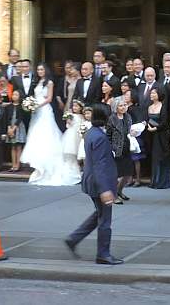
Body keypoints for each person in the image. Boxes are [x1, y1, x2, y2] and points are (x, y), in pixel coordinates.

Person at [65, 103, 123, 265]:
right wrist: (105, 190)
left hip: (91, 180)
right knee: (105, 220)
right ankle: (103, 254)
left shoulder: (91, 133)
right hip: (100, 183)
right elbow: (100, 164)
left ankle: (74, 239)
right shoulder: (100, 137)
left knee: (99, 214)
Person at [20, 63, 80, 186]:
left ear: (46, 70)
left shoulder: (50, 82)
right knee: (35, 135)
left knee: (46, 134)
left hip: (45, 109)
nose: (40, 71)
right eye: (38, 69)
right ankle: (38, 163)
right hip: (36, 111)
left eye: (42, 69)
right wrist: (31, 104)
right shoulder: (37, 82)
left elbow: (49, 98)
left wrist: (37, 105)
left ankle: (47, 163)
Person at [107, 97, 134, 204]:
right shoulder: (112, 119)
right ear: (115, 107)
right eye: (121, 105)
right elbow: (108, 135)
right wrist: (110, 148)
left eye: (124, 105)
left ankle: (119, 191)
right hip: (116, 149)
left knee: (127, 173)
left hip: (127, 147)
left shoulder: (128, 117)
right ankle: (113, 195)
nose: (123, 107)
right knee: (117, 175)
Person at [146, 88, 170, 189]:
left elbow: (165, 122)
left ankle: (162, 181)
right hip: (151, 135)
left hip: (161, 135)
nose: (151, 94)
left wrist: (156, 128)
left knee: (161, 157)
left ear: (159, 95)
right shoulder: (149, 107)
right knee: (154, 158)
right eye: (151, 93)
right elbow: (147, 119)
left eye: (154, 93)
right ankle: (154, 180)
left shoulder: (163, 106)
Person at [125, 89, 146, 187]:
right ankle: (129, 178)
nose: (125, 96)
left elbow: (139, 121)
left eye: (128, 95)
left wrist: (133, 130)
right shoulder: (124, 107)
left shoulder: (135, 108)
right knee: (127, 158)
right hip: (125, 134)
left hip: (134, 135)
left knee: (136, 158)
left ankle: (137, 179)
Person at [5, 89, 28, 172]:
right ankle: (13, 165)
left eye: (16, 95)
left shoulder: (22, 106)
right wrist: (9, 128)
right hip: (10, 126)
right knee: (12, 146)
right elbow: (7, 117)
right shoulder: (9, 106)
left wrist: (14, 128)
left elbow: (20, 118)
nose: (14, 96)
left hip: (18, 127)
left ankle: (18, 164)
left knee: (18, 146)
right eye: (13, 94)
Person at [62, 100, 84, 170]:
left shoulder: (82, 116)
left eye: (76, 106)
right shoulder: (71, 115)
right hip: (71, 134)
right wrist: (68, 119)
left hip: (79, 134)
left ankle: (78, 163)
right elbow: (68, 125)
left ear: (80, 108)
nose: (74, 108)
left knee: (78, 149)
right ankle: (70, 164)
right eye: (73, 106)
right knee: (71, 148)